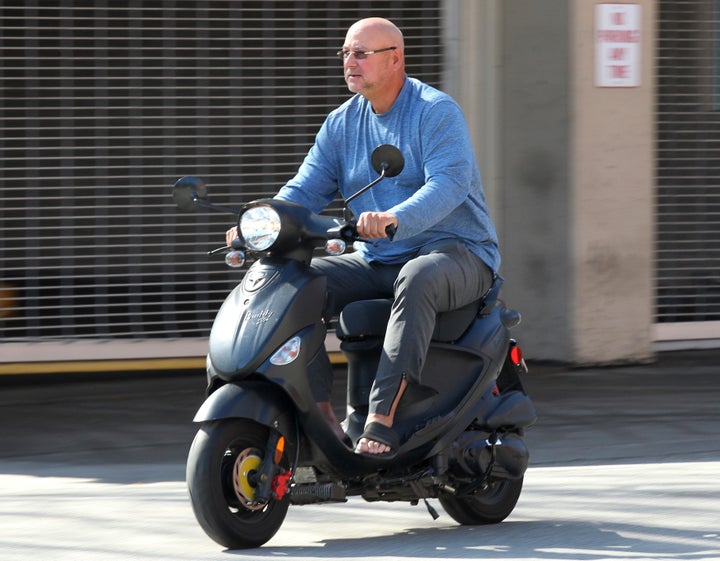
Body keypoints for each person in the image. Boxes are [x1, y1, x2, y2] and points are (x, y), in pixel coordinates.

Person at [226, 17, 500, 456]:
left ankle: (383, 417)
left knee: (419, 277)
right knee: (297, 281)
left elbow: (448, 184)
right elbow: (306, 188)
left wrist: (394, 218)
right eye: (345, 54)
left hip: (457, 253)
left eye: (361, 53)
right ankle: (314, 413)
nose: (349, 62)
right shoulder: (341, 124)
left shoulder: (434, 111)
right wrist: (261, 221)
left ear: (395, 59)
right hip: (378, 258)